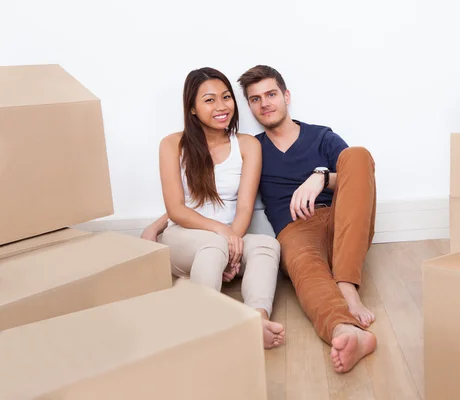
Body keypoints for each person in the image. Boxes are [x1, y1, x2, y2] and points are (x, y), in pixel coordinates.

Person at [143, 65, 377, 373]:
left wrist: (320, 177)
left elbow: (356, 176)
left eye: (270, 95)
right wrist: (161, 225)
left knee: (357, 156)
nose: (264, 103)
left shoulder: (314, 137)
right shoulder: (248, 147)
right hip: (288, 230)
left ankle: (329, 293)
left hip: (341, 219)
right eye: (255, 99)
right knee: (298, 266)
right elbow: (189, 200)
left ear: (286, 96)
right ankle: (343, 330)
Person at [142, 67, 284, 350]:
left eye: (226, 97)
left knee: (267, 245)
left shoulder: (247, 145)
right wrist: (223, 234)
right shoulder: (172, 144)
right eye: (209, 100)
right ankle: (202, 326)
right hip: (184, 237)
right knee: (213, 246)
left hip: (229, 237)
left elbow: (245, 206)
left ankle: (256, 320)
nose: (221, 107)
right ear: (192, 108)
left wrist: (234, 246)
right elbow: (176, 209)